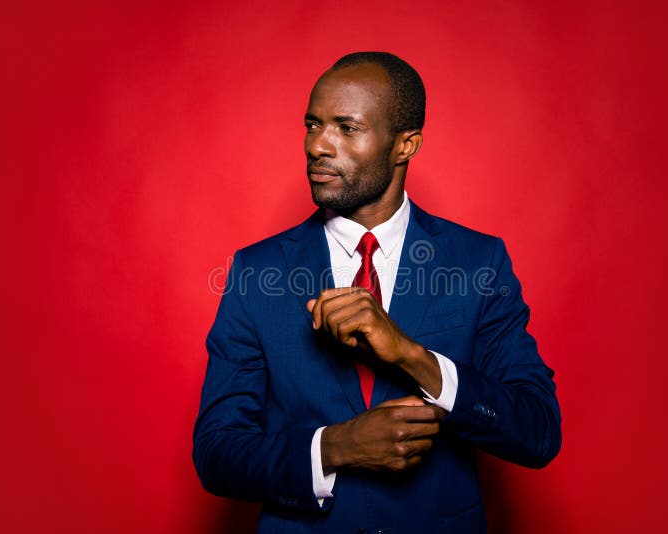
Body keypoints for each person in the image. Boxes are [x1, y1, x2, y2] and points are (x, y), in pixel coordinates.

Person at [193, 51, 561, 533]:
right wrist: (337, 446)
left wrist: (411, 356)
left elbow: (537, 431)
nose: (318, 146)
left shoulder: (478, 262)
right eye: (312, 124)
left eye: (346, 128)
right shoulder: (254, 271)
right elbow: (217, 453)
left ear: (404, 145)